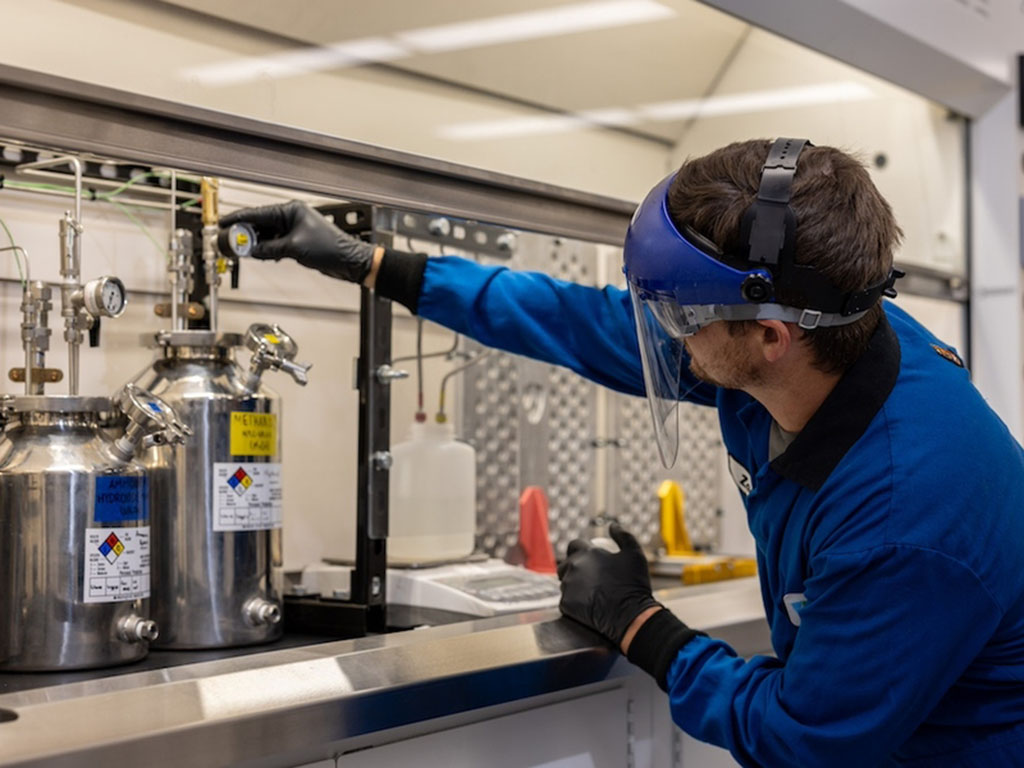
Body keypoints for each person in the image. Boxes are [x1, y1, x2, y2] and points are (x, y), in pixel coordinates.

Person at [221, 138, 1024, 767]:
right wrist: (371, 264)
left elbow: (805, 739)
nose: (663, 338)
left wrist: (638, 622)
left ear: (771, 335)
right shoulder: (822, 344)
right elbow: (581, 322)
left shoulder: (905, 512)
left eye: (678, 317)